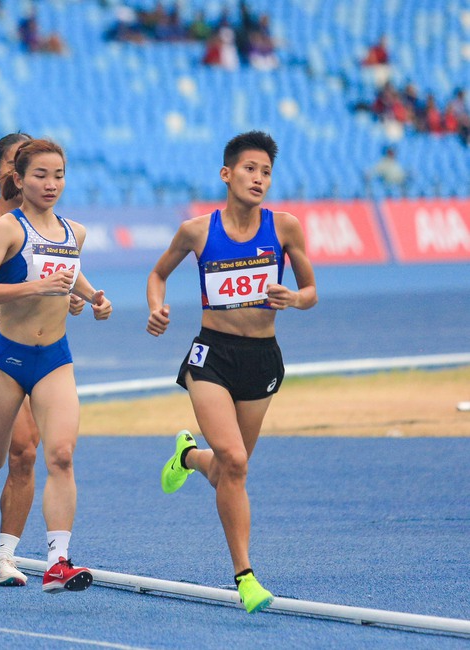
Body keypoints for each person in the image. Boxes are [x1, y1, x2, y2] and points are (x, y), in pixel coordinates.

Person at [0, 139, 112, 594]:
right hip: (5, 357)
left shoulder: (76, 232)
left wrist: (92, 298)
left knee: (60, 455)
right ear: (18, 179)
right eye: (39, 176)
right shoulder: (5, 229)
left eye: (58, 176)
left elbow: (69, 272)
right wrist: (36, 287)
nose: (50, 184)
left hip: (54, 358)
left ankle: (58, 561)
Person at [146, 131, 317, 614]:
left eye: (265, 171)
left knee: (226, 468)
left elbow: (310, 290)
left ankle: (188, 458)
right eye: (249, 169)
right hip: (212, 356)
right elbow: (158, 274)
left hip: (262, 359)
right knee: (237, 462)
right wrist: (158, 308)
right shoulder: (197, 231)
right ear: (226, 174)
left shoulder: (284, 228)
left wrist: (294, 298)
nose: (258, 178)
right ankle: (245, 577)